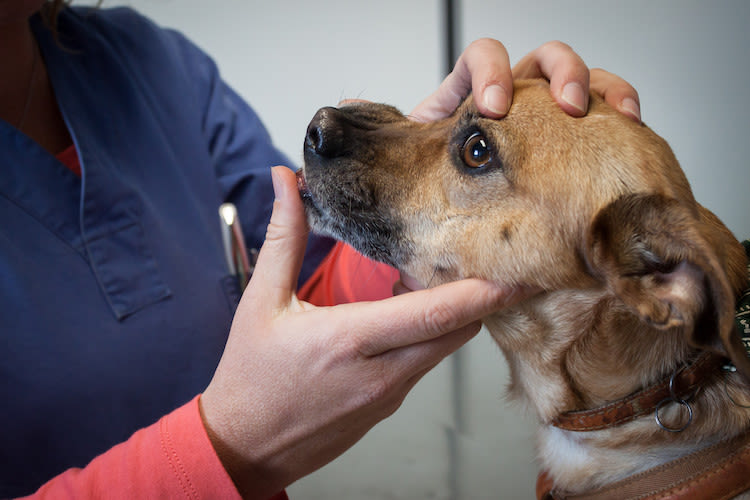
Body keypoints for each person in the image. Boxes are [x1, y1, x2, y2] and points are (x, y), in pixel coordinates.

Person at [0, 1, 641, 498]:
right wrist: (225, 450)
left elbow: (311, 289)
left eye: (474, 147)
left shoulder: (146, 63)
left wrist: (428, 188)